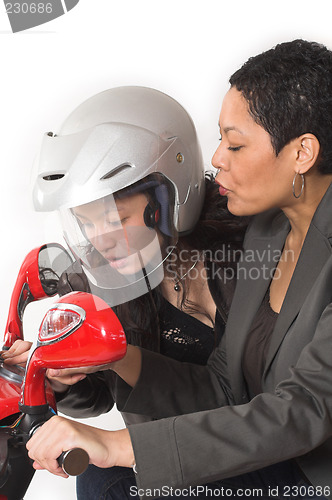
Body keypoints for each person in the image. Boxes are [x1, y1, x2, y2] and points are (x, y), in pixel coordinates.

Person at [9, 39, 332, 498]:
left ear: (302, 153)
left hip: (311, 476)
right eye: (220, 139)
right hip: (261, 454)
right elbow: (223, 386)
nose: (217, 158)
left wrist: (119, 444)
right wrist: (108, 356)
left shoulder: (246, 241)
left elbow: (305, 410)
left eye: (235, 145)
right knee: (104, 478)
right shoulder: (270, 234)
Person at [4, 87, 247, 498]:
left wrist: (119, 359)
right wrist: (61, 374)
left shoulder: (249, 253)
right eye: (87, 223)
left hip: (253, 454)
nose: (102, 242)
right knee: (97, 477)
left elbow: (252, 403)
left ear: (167, 199)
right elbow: (100, 396)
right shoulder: (112, 279)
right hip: (178, 462)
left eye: (117, 219)